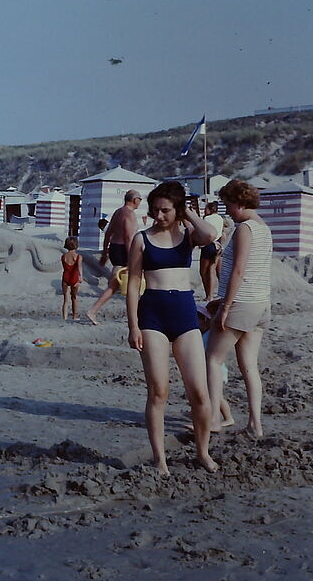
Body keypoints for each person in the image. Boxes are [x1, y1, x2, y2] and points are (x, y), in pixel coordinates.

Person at [125, 181, 218, 475]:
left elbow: (211, 235)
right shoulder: (142, 239)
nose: (159, 216)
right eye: (155, 211)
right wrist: (133, 326)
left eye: (165, 210)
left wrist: (187, 213)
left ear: (176, 209)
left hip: (184, 315)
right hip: (152, 315)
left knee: (200, 394)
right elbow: (132, 285)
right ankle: (160, 459)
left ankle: (202, 452)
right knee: (158, 392)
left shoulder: (189, 234)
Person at [205, 179, 272, 437]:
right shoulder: (264, 228)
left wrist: (225, 305)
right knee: (249, 366)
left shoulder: (245, 229)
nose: (227, 210)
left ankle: (212, 419)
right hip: (260, 303)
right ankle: (255, 423)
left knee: (212, 359)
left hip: (241, 303)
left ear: (240, 203)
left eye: (229, 205)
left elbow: (239, 270)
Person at [85, 190, 142, 325]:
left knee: (116, 284)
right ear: (134, 200)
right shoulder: (129, 214)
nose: (140, 202)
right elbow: (128, 237)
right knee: (131, 283)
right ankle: (93, 311)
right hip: (124, 250)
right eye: (140, 199)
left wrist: (105, 253)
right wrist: (131, 258)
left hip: (115, 249)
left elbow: (108, 233)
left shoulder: (118, 212)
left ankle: (94, 310)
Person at [195, 303, 234, 429]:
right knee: (205, 393)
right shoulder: (202, 335)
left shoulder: (209, 335)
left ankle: (228, 418)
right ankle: (195, 413)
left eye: (198, 320)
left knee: (218, 397)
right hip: (208, 369)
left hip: (216, 371)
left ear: (206, 321)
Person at [199, 202, 225, 301]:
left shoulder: (207, 219)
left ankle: (209, 295)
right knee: (216, 271)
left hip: (209, 244)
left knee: (204, 272)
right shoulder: (220, 218)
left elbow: (204, 232)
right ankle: (221, 293)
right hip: (218, 244)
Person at [61, 236, 83, 321]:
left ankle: (65, 317)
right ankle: (75, 316)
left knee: (65, 300)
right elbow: (79, 267)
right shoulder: (78, 257)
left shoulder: (63, 256)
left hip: (65, 277)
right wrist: (80, 277)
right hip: (74, 278)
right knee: (74, 298)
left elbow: (65, 267)